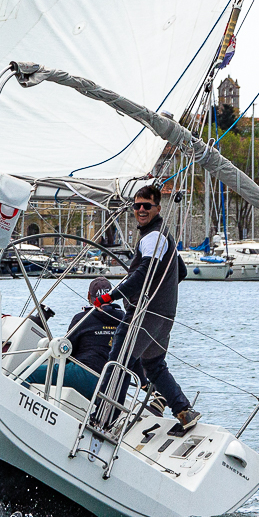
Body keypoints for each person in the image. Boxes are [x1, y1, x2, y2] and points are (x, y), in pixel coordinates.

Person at [105, 185, 200, 432]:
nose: (141, 210)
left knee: (119, 362)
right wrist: (162, 292)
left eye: (147, 206)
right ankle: (184, 411)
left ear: (158, 208)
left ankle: (105, 418)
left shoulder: (152, 237)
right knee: (154, 365)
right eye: (137, 206)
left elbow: (143, 273)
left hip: (144, 314)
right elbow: (181, 271)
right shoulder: (163, 235)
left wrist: (111, 296)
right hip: (164, 316)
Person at [23, 277, 122, 400]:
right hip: (111, 384)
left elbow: (68, 349)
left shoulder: (82, 318)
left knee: (27, 373)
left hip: (84, 374)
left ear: (89, 296)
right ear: (112, 297)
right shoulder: (124, 319)